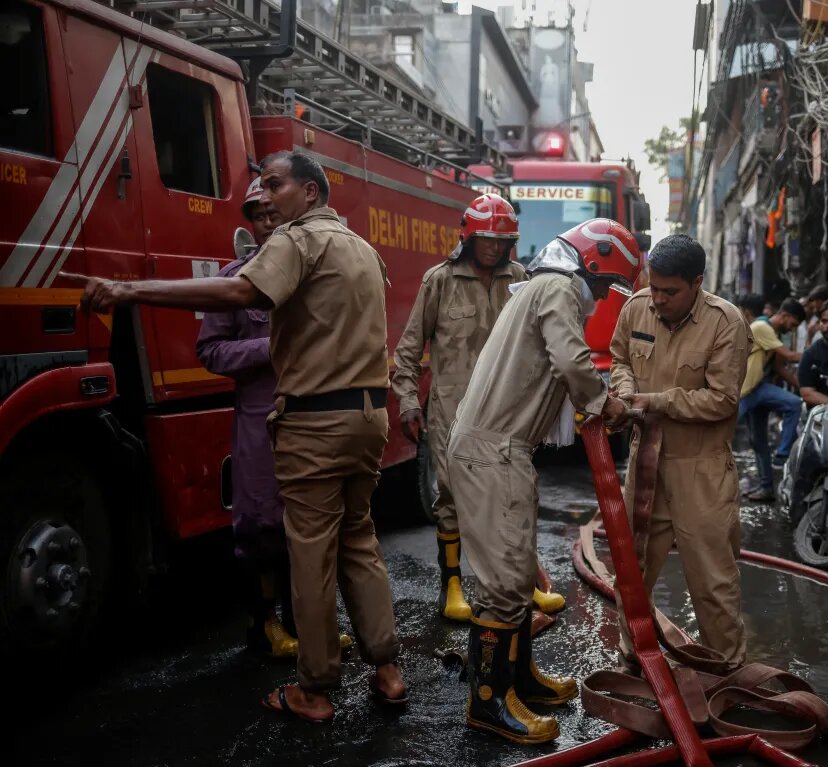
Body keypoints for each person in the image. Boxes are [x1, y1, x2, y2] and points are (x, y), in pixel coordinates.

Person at [63, 150, 407, 722]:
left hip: (315, 423)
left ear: (312, 193)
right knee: (359, 543)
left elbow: (236, 294)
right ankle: (388, 672)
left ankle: (315, 689)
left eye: (275, 185)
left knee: (311, 555)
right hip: (368, 418)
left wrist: (128, 292)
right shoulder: (362, 250)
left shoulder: (298, 241)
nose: (265, 197)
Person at [449, 219, 634, 744]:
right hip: (494, 450)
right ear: (589, 264)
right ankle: (488, 704)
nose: (601, 297)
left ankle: (520, 681)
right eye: (602, 285)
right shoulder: (556, 288)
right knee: (503, 583)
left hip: (504, 448)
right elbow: (572, 360)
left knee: (513, 574)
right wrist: (605, 403)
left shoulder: (539, 286)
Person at [391, 193, 558, 622]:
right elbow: (408, 351)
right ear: (468, 236)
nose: (493, 247)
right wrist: (408, 401)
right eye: (486, 239)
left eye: (502, 241)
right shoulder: (439, 281)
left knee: (513, 493)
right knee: (452, 495)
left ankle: (523, 582)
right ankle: (452, 588)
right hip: (451, 409)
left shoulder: (521, 278)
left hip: (508, 410)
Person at [610, 233, 750, 672]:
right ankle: (635, 655)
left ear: (697, 283)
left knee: (712, 580)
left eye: (670, 291)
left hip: (701, 470)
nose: (658, 299)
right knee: (631, 571)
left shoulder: (725, 322)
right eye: (654, 287)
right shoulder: (635, 308)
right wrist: (627, 390)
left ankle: (725, 669)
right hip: (645, 463)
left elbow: (723, 400)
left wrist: (653, 401)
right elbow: (619, 360)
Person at [197, 178, 310, 658]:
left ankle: (302, 629)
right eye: (260, 216)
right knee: (260, 528)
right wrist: (267, 348)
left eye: (276, 213)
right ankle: (262, 627)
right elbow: (210, 350)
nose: (270, 223)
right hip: (259, 422)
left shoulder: (312, 275)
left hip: (310, 417)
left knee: (305, 530)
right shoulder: (234, 281)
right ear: (251, 222)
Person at [737, 295, 804, 501]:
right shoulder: (762, 327)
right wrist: (816, 353)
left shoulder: (771, 331)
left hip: (756, 389)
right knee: (794, 404)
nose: (792, 329)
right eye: (793, 324)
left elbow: (779, 368)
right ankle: (782, 455)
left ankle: (766, 487)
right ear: (784, 315)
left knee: (759, 442)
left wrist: (804, 389)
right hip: (748, 391)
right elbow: (791, 357)